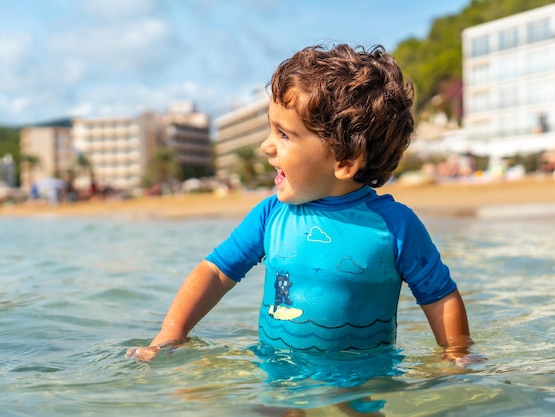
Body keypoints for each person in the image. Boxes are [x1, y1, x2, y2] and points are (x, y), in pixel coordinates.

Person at [126, 44, 473, 366]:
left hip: (362, 374)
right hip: (279, 370)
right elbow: (215, 273)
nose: (266, 146)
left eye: (284, 134)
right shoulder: (271, 216)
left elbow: (440, 296)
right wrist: (171, 334)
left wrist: (457, 356)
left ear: (345, 160)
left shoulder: (394, 226)